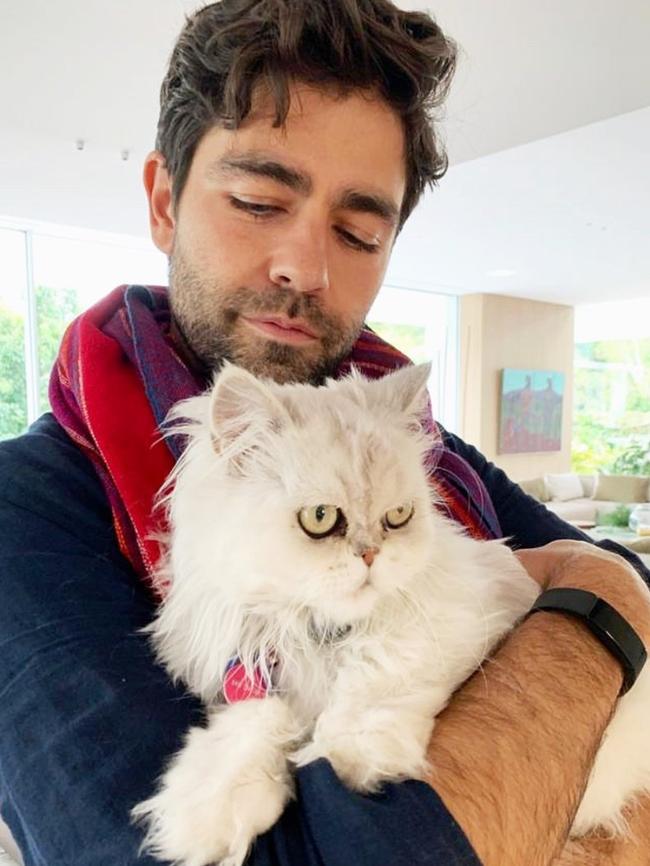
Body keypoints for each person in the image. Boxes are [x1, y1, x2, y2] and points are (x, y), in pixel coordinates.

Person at [1, 2, 649, 865]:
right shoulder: (26, 511)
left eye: (359, 231)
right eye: (259, 200)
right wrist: (592, 604)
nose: (305, 268)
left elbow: (626, 590)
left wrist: (601, 584)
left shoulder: (426, 450)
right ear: (163, 199)